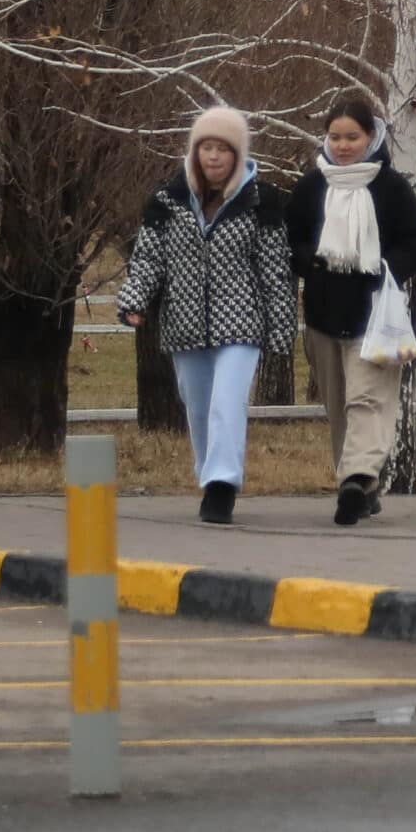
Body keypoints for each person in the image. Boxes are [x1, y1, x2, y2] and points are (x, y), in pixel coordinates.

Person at [115, 105, 295, 527]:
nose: (213, 156)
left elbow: (275, 272)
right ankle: (208, 472)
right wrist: (133, 301)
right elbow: (148, 260)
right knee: (197, 406)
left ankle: (221, 485)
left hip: (241, 324)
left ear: (238, 153)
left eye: (223, 149)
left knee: (227, 403)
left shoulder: (261, 201)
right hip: (185, 324)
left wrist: (281, 331)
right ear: (194, 152)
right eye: (206, 147)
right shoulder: (167, 200)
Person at [286, 90, 416, 526]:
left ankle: (354, 479)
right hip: (324, 314)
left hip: (375, 316)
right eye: (335, 137)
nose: (343, 145)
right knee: (339, 406)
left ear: (371, 136)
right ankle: (362, 485)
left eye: (352, 137)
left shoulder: (391, 188)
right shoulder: (312, 186)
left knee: (367, 400)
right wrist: (312, 260)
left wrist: (384, 267)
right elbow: (290, 241)